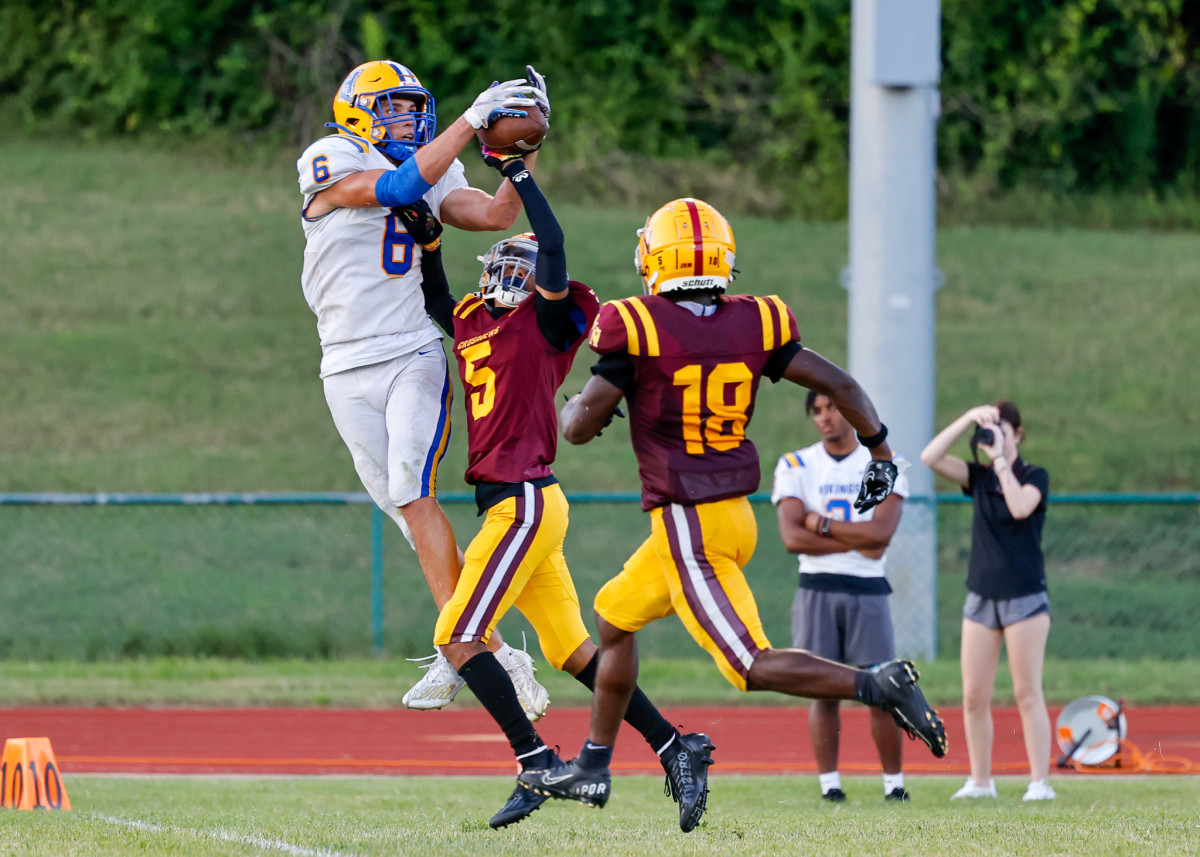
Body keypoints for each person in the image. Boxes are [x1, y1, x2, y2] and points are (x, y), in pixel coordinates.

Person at [517, 198, 948, 815]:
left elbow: (580, 428)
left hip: (688, 522)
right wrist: (879, 450)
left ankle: (877, 683)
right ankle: (593, 765)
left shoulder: (634, 325)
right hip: (727, 515)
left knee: (748, 663)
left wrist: (576, 405)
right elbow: (841, 386)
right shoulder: (756, 320)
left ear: (654, 259)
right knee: (613, 619)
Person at [405, 152, 716, 832]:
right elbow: (435, 300)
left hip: (524, 501)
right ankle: (675, 744)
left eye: (521, 269)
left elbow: (551, 244)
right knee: (570, 651)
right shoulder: (476, 321)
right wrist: (430, 243)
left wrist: (517, 176)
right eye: (501, 266)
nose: (507, 276)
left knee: (457, 632)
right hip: (514, 505)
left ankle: (534, 758)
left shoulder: (544, 329)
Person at [295, 61, 551, 717]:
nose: (408, 121)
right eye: (395, 109)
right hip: (342, 362)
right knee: (408, 515)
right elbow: (399, 185)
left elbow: (494, 215)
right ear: (357, 111)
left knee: (413, 487)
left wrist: (517, 158)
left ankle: (462, 643)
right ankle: (488, 647)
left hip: (411, 350)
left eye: (415, 110)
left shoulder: (434, 165)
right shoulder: (331, 156)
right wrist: (471, 119)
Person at [772, 390, 912, 803]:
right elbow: (792, 537)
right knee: (823, 691)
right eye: (816, 410)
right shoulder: (795, 463)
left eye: (831, 407)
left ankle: (894, 784)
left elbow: (881, 536)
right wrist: (856, 541)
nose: (824, 417)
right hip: (817, 588)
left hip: (867, 590)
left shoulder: (886, 465)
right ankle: (830, 785)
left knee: (882, 690)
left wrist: (824, 525)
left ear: (851, 412)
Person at [920, 402, 1054, 802]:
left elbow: (1019, 507)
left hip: (1024, 597)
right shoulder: (976, 477)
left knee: (1026, 692)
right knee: (973, 695)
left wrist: (1000, 461)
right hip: (981, 597)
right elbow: (930, 458)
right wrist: (966, 420)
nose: (995, 436)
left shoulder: (1034, 476)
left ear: (1018, 433)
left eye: (1003, 429)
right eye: (990, 430)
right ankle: (981, 781)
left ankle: (1039, 783)